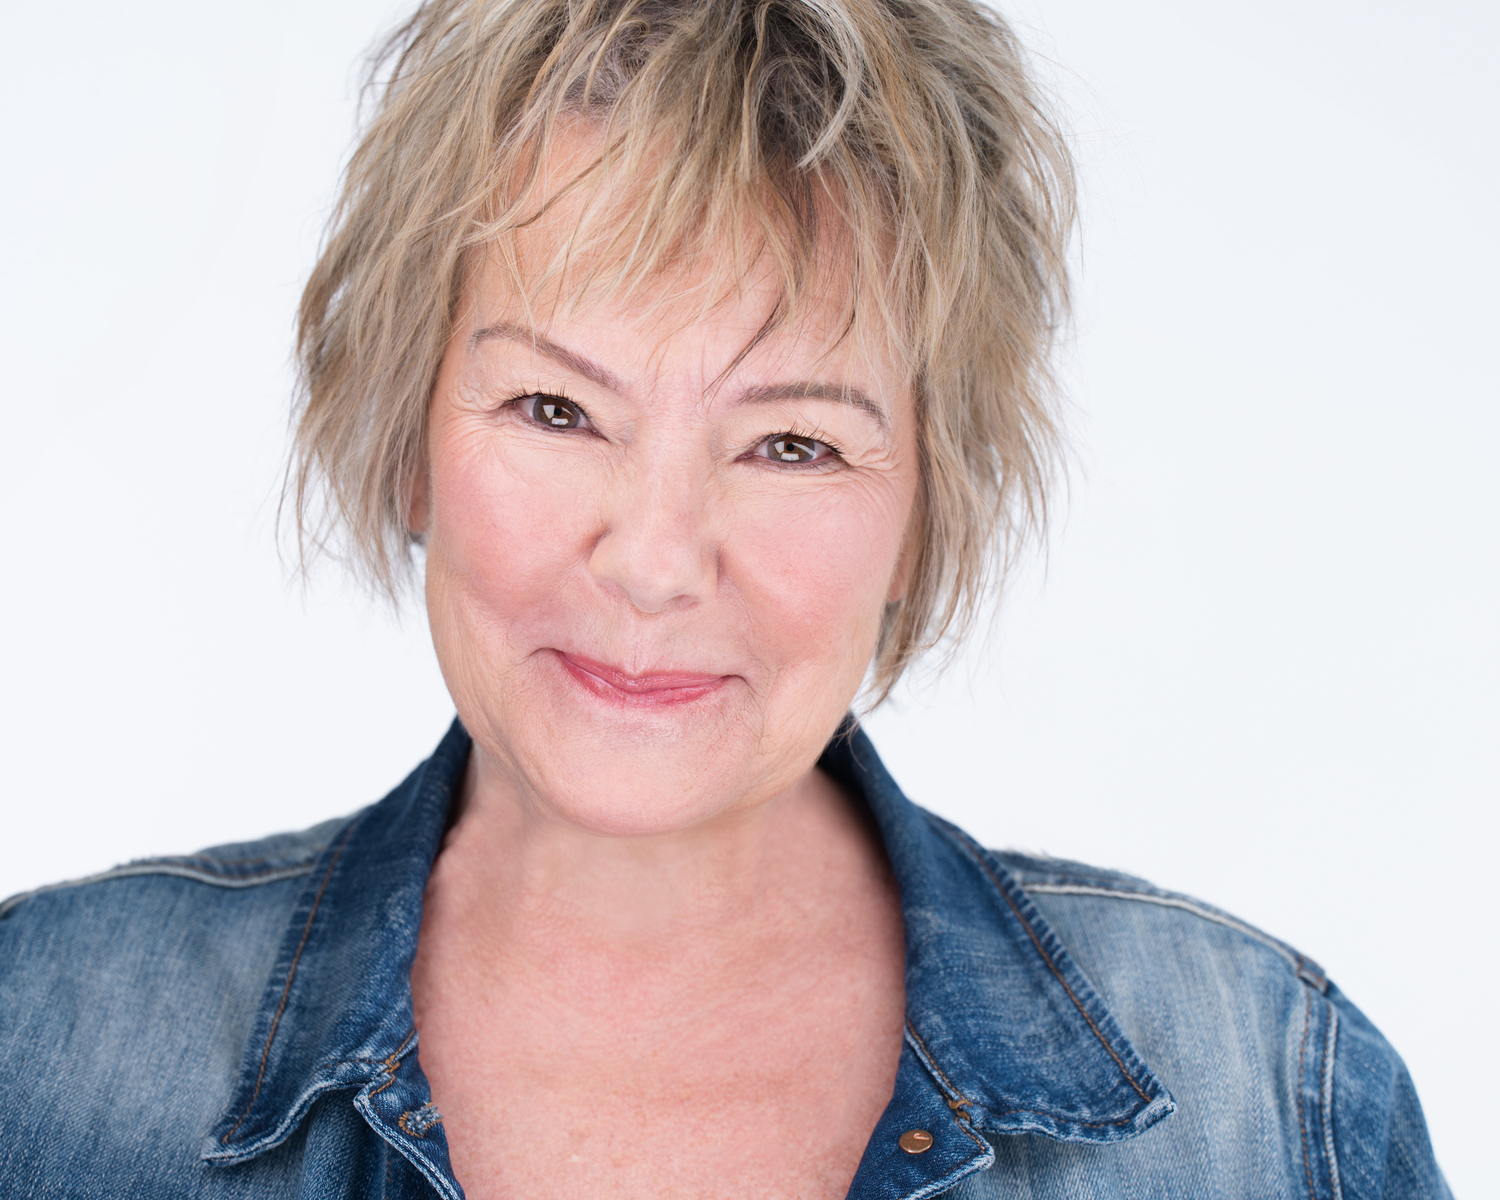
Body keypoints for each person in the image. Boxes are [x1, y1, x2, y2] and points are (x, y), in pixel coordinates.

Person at [0, 1, 1449, 1197]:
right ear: (407, 437)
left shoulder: (1271, 1110)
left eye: (793, 443)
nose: (655, 559)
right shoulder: (40, 1053)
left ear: (928, 502)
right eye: (557, 409)